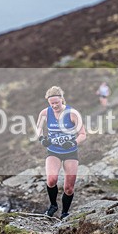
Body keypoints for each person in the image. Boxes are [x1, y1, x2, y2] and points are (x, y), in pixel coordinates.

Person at [35, 86, 86, 220]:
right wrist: (41, 139)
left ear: (62, 100)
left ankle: (64, 213)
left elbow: (83, 134)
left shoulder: (72, 113)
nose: (55, 106)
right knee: (51, 180)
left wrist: (73, 142)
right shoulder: (45, 113)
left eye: (57, 103)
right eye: (52, 103)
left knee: (69, 188)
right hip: (53, 151)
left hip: (70, 152)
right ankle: (53, 206)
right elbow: (38, 128)